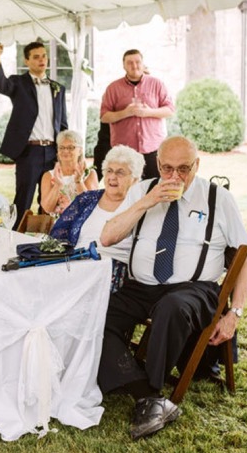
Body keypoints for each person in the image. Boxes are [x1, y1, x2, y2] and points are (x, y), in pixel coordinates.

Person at [98, 136, 247, 440]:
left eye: (183, 169)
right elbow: (107, 238)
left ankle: (150, 388)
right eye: (167, 168)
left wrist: (234, 313)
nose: (174, 177)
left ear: (197, 165)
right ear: (157, 164)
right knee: (96, 316)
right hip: (140, 286)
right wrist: (147, 201)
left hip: (194, 289)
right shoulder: (142, 191)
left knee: (172, 308)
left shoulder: (217, 198)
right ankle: (149, 397)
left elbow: (245, 259)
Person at [0, 41, 68, 229]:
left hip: (51, 151)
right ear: (27, 61)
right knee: (23, 198)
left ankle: (48, 238)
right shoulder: (18, 83)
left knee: (50, 199)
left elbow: (63, 123)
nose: (41, 60)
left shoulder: (58, 88)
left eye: (44, 56)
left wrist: (63, 152)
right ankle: (15, 235)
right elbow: (1, 84)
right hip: (29, 151)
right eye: (36, 57)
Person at [50, 145, 144, 292]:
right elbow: (58, 235)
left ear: (135, 179)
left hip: (110, 271)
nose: (112, 177)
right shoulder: (87, 199)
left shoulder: (138, 208)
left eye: (120, 172)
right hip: (73, 265)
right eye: (109, 171)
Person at [100, 50, 174, 179]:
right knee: (126, 192)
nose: (134, 66)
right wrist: (125, 113)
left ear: (143, 63)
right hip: (124, 153)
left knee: (155, 188)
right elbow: (104, 116)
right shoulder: (113, 88)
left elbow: (170, 110)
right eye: (129, 63)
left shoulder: (157, 84)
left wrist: (148, 112)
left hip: (153, 149)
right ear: (123, 66)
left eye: (137, 62)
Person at [39, 130, 99, 216]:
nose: (66, 151)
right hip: (58, 225)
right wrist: (57, 185)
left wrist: (79, 182)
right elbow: (47, 208)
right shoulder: (48, 176)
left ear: (80, 151)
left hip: (83, 225)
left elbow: (90, 206)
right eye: (62, 147)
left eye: (71, 147)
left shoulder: (90, 174)